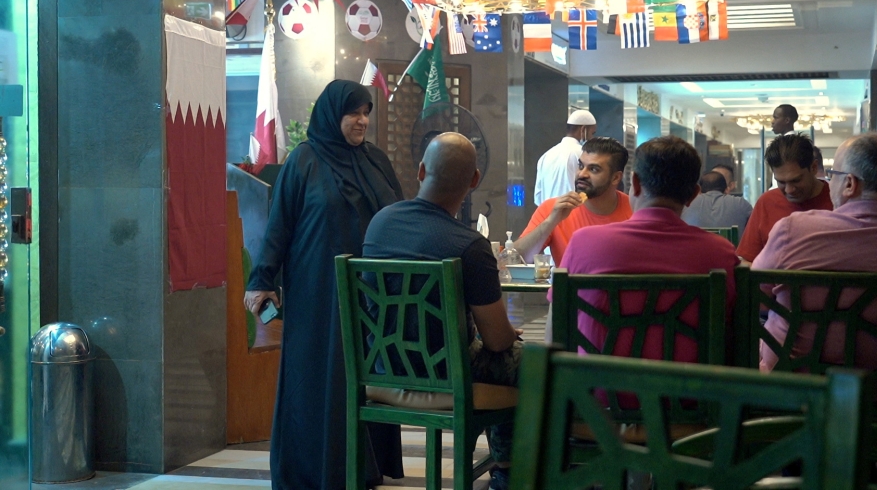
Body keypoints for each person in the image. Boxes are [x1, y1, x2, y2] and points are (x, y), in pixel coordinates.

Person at [243, 80, 404, 490]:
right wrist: (262, 278)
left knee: (365, 375)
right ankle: (313, 470)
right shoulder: (304, 160)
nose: (362, 120)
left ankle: (364, 467)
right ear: (334, 115)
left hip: (372, 292)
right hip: (319, 289)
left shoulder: (376, 161)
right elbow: (278, 225)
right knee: (319, 375)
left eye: (367, 112)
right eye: (354, 113)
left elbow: (399, 216)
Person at [363, 133, 521, 490]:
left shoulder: (380, 224)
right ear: (475, 180)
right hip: (447, 375)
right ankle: (508, 472)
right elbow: (497, 342)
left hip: (381, 369)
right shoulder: (470, 246)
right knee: (535, 365)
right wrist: (505, 335)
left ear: (420, 171)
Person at [752, 133, 877, 395]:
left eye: (832, 174)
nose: (829, 181)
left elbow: (757, 297)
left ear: (849, 184)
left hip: (789, 391)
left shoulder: (792, 230)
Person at [560, 137, 739, 391]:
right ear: (693, 195)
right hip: (691, 410)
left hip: (595, 408)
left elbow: (555, 333)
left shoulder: (584, 243)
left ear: (633, 183)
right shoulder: (720, 254)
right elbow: (732, 337)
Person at [515, 137, 632, 265]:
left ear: (615, 178)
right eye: (581, 166)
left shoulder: (635, 211)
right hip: (569, 286)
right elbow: (517, 260)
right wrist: (550, 222)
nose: (582, 174)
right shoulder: (553, 209)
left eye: (593, 169)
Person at [737, 134, 832, 263]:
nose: (789, 190)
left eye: (796, 180)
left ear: (814, 168)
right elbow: (747, 260)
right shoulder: (767, 202)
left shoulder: (838, 200)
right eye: (781, 182)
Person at [533, 109, 598, 205]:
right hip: (572, 215)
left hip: (549, 216)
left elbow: (538, 198)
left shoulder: (545, 156)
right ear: (583, 130)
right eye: (592, 133)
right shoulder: (583, 154)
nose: (592, 138)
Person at [681, 171, 754, 234]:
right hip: (730, 250)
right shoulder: (741, 204)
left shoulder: (686, 204)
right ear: (726, 189)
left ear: (699, 190)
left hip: (693, 249)